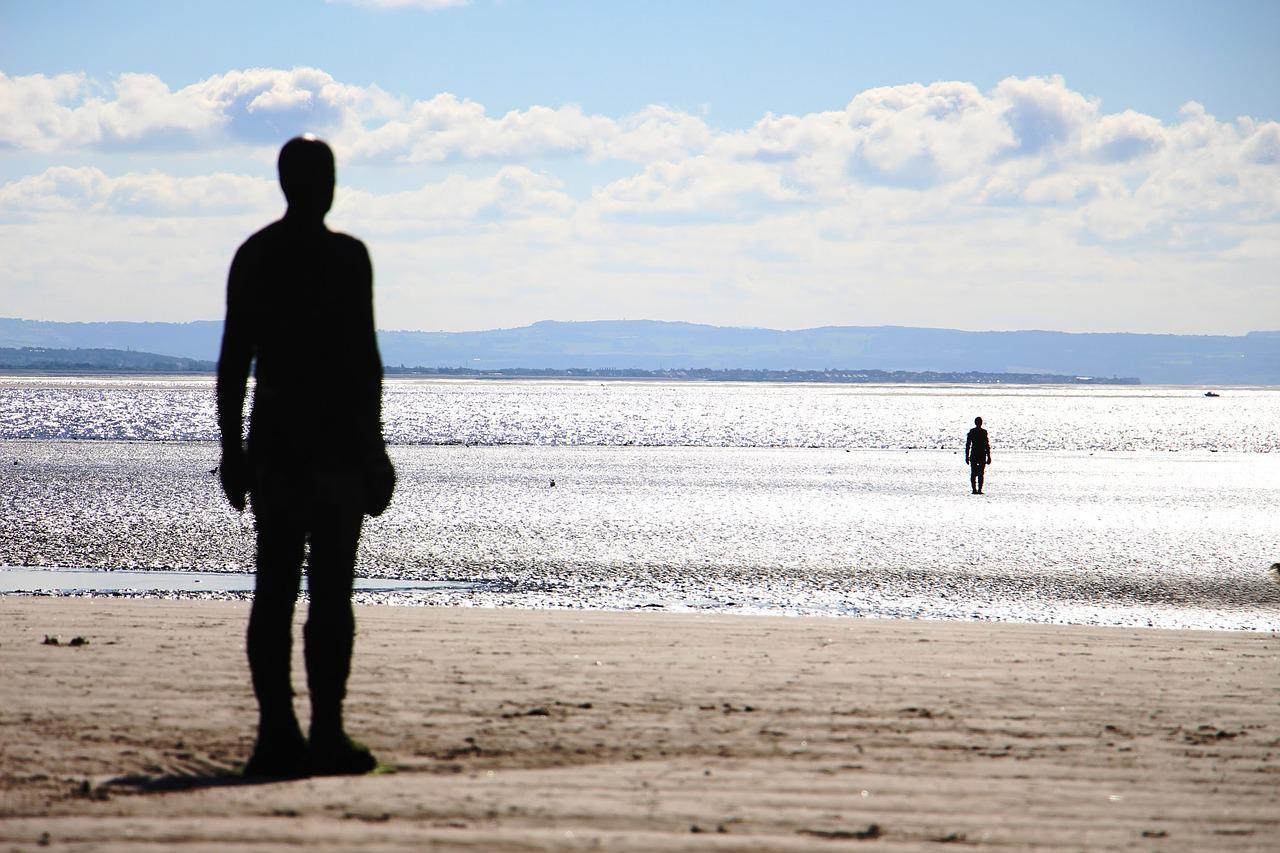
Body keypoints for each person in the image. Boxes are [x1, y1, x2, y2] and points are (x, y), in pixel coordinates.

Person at [217, 136, 395, 778]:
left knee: (290, 595)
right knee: (311, 595)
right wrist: (233, 451)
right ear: (311, 184)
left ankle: (306, 731)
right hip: (314, 453)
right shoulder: (338, 258)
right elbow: (360, 363)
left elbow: (237, 364)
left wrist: (233, 449)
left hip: (298, 451)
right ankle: (295, 732)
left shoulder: (265, 255)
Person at [965, 416, 991, 494]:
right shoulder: (980, 432)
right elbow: (986, 445)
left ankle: (976, 489)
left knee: (976, 473)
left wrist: (966, 456)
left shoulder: (980, 432)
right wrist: (989, 456)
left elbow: (968, 445)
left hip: (977, 454)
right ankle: (977, 489)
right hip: (979, 454)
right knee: (978, 473)